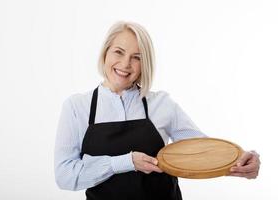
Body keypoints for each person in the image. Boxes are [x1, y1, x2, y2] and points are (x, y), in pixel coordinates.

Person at [54, 21, 260, 200]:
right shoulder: (76, 107)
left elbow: (203, 152)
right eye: (119, 52)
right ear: (105, 52)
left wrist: (242, 162)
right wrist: (126, 162)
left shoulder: (161, 103)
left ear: (145, 64)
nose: (125, 64)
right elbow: (65, 176)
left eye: (137, 57)